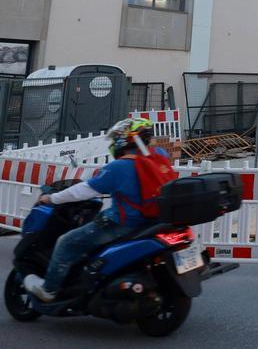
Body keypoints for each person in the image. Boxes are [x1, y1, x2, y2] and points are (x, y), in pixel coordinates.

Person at [23, 118, 168, 302]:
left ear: (125, 139)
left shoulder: (119, 167)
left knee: (66, 242)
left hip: (122, 224)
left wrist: (51, 198)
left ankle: (49, 290)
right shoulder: (160, 157)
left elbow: (84, 190)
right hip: (152, 222)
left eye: (117, 138)